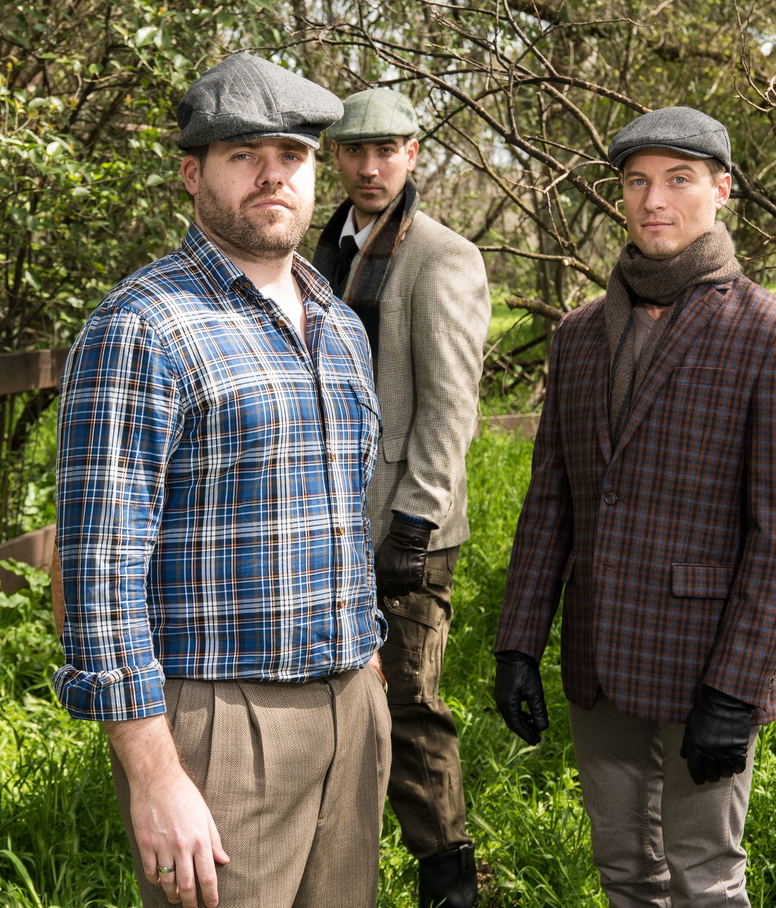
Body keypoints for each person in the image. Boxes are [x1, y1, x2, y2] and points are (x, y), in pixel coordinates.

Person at [52, 54, 390, 908]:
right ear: (191, 175)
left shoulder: (340, 324)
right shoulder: (142, 326)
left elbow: (344, 515)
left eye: (293, 155)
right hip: (219, 723)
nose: (274, 175)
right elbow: (98, 570)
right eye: (245, 155)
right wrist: (155, 775)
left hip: (352, 704)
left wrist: (371, 668)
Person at [491, 106, 776, 907]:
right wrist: (518, 644)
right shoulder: (578, 335)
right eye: (637, 181)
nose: (654, 200)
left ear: (722, 190)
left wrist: (736, 687)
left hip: (705, 659)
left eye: (679, 180)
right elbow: (550, 500)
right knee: (623, 871)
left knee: (705, 878)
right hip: (598, 652)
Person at [311, 87, 491, 908]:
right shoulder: (325, 250)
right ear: (336, 158)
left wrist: (414, 526)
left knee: (410, 702)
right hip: (328, 519)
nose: (370, 166)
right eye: (355, 150)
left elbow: (451, 409)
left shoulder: (441, 257)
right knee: (334, 695)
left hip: (403, 526)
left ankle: (450, 880)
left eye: (387, 150)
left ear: (413, 153)